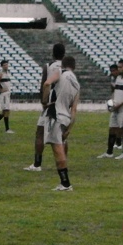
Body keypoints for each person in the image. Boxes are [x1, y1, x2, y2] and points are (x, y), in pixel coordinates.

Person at [24, 42, 65, 172]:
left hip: (51, 104)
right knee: (62, 135)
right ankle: (64, 162)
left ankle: (37, 164)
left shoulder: (48, 66)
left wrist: (43, 101)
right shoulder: (66, 68)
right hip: (64, 103)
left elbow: (44, 84)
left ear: (53, 53)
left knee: (40, 133)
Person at [44, 56, 80, 191]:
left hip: (56, 115)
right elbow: (74, 109)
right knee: (60, 146)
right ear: (74, 66)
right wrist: (69, 129)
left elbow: (47, 83)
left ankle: (65, 183)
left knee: (57, 149)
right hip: (66, 117)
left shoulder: (60, 72)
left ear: (63, 64)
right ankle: (64, 183)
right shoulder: (76, 83)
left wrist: (45, 101)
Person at [99, 59, 123, 160]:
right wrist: (112, 102)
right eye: (118, 67)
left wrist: (120, 104)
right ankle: (109, 152)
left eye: (120, 67)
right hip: (116, 107)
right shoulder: (118, 78)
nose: (118, 69)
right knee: (112, 128)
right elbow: (115, 92)